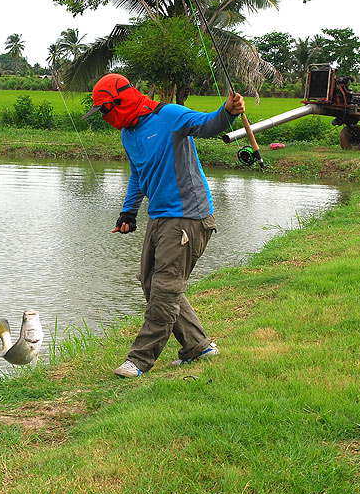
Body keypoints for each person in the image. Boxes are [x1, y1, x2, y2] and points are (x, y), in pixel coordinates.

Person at [81, 73, 245, 378]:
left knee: (165, 289)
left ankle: (139, 360)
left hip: (188, 217)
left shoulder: (168, 115)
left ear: (121, 101)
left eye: (105, 110)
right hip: (159, 216)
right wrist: (128, 214)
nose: (104, 117)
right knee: (150, 281)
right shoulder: (129, 135)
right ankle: (198, 347)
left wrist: (228, 112)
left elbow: (207, 124)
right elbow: (138, 174)